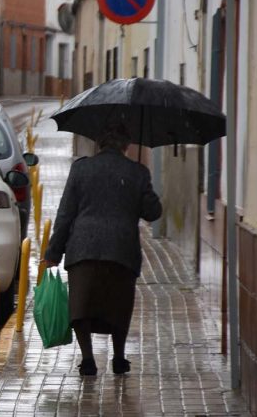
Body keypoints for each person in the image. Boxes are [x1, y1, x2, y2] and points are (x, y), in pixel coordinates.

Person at [42, 123, 162, 377]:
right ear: (126, 146)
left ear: (99, 144)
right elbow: (153, 212)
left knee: (81, 306)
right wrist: (143, 184)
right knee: (119, 306)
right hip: (121, 250)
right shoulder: (137, 172)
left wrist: (53, 253)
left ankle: (88, 360)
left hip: (83, 248)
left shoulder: (81, 169)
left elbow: (65, 214)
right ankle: (118, 358)